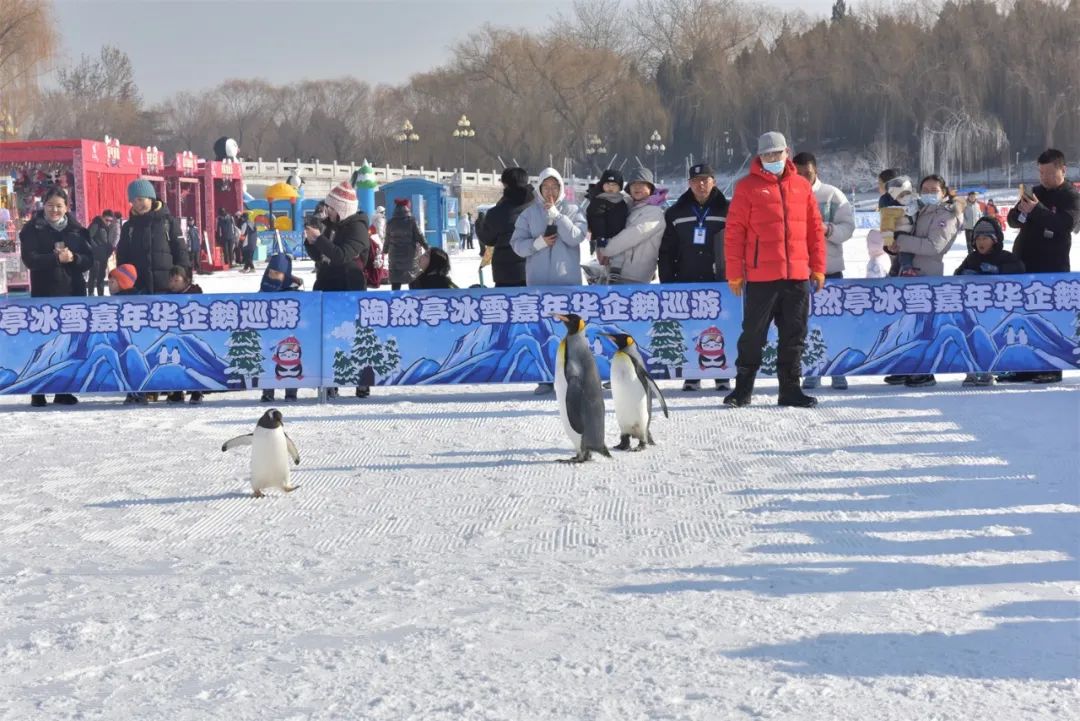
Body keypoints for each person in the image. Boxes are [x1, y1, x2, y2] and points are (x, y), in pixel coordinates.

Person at [723, 132, 826, 409]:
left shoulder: (801, 186)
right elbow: (734, 233)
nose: (772, 159)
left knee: (795, 334)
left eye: (776, 154)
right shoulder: (746, 187)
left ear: (786, 153)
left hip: (796, 277)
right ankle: (743, 389)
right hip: (761, 278)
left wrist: (817, 267)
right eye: (767, 155)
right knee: (753, 334)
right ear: (760, 157)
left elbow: (814, 229)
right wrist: (735, 272)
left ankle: (790, 389)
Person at [1002, 148, 1079, 384]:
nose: (1043, 177)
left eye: (1048, 172)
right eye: (1041, 172)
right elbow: (1013, 221)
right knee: (1024, 317)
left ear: (1062, 169)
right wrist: (1021, 212)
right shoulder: (1035, 192)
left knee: (1049, 319)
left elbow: (1064, 224)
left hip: (1052, 265)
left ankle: (1051, 367)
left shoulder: (1071, 196)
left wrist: (1037, 210)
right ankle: (1024, 366)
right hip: (1024, 261)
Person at [511, 166, 588, 394]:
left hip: (567, 283)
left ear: (561, 188)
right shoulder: (529, 214)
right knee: (542, 331)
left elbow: (577, 237)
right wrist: (538, 244)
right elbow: (517, 245)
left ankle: (573, 375)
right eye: (546, 187)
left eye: (555, 186)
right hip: (539, 285)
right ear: (540, 189)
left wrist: (558, 216)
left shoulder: (573, 210)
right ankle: (545, 377)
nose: (551, 191)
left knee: (569, 330)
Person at [885, 174, 965, 388]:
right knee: (906, 324)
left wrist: (901, 242)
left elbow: (933, 247)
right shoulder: (918, 209)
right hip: (906, 273)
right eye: (926, 189)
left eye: (934, 190)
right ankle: (907, 366)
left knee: (925, 324)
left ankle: (925, 370)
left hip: (928, 275)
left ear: (944, 192)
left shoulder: (946, 215)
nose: (930, 193)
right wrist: (891, 244)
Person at [659, 162, 731, 392]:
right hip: (686, 278)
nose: (701, 185)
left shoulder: (727, 210)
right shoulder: (675, 212)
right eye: (696, 181)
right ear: (689, 184)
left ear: (714, 181)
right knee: (689, 327)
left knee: (720, 327)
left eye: (706, 180)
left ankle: (722, 375)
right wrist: (668, 281)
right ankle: (692, 374)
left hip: (719, 280)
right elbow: (667, 250)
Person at [19, 186, 93, 408]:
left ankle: (64, 390)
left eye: (59, 206)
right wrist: (55, 259)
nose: (54, 210)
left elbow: (89, 259)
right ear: (44, 205)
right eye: (50, 205)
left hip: (73, 293)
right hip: (44, 294)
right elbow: (30, 259)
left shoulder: (77, 230)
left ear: (67, 207)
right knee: (44, 344)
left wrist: (74, 258)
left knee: (69, 343)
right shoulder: (32, 229)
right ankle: (38, 391)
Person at [793, 152, 855, 391]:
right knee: (804, 324)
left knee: (833, 323)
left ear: (815, 171)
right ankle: (811, 369)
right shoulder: (788, 194)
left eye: (807, 173)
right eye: (798, 174)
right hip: (799, 271)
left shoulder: (832, 195)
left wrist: (827, 230)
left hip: (829, 270)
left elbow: (848, 227)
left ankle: (838, 371)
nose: (803, 178)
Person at [304, 181, 370, 398]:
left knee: (354, 337)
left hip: (349, 289)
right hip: (326, 285)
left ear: (341, 209)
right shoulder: (332, 225)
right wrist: (311, 242)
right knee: (328, 337)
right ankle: (331, 380)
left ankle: (362, 381)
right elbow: (323, 256)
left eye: (331, 208)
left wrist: (320, 239)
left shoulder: (357, 228)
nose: (327, 212)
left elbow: (341, 255)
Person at [954, 215, 1024, 388]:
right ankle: (972, 371)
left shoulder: (1006, 257)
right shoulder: (972, 259)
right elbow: (957, 275)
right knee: (973, 339)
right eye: (977, 238)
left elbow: (1019, 270)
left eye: (985, 238)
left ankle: (991, 371)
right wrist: (964, 275)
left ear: (994, 240)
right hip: (975, 310)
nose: (981, 242)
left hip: (998, 310)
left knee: (992, 340)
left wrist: (998, 271)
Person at [115, 179, 189, 294]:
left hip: (167, 290)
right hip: (138, 291)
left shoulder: (168, 222)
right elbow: (123, 259)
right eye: (133, 201)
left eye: (140, 199)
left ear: (151, 198)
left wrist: (183, 279)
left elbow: (181, 252)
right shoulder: (129, 227)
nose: (137, 204)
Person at [596, 166, 664, 285]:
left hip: (635, 277)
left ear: (650, 188)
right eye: (633, 184)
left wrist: (605, 250)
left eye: (642, 184)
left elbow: (630, 236)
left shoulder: (654, 212)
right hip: (615, 273)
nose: (637, 187)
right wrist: (599, 244)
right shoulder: (628, 207)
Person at [476, 167, 534, 287]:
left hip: (505, 273)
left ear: (505, 184)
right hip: (535, 269)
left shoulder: (498, 211)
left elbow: (488, 239)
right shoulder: (537, 205)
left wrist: (479, 223)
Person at [259, 253, 305, 404]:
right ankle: (267, 392)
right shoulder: (264, 288)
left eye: (277, 273)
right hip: (269, 334)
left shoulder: (294, 291)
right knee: (268, 362)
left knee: (290, 361)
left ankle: (291, 392)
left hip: (289, 335)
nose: (273, 276)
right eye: (271, 272)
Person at [165, 266, 205, 405]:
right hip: (175, 336)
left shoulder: (196, 294)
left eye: (176, 280)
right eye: (171, 281)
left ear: (186, 280)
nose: (173, 284)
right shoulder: (167, 296)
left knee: (194, 363)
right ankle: (176, 392)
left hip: (193, 337)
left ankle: (196, 391)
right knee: (174, 362)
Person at [384, 198, 428, 290]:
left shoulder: (390, 222)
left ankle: (395, 298)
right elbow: (419, 236)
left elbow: (387, 238)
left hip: (395, 255)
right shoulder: (412, 221)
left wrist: (385, 250)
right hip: (410, 255)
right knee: (412, 278)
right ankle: (413, 299)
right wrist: (427, 247)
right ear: (407, 208)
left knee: (396, 280)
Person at [585, 168, 629, 257]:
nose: (610, 187)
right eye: (607, 184)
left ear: (620, 187)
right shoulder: (598, 200)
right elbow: (596, 221)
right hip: (602, 241)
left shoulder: (622, 202)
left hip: (620, 241)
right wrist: (600, 239)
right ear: (602, 185)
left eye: (614, 184)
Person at [86, 210, 113, 296]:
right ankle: (91, 293)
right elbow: (88, 237)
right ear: (102, 217)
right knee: (93, 275)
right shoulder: (96, 224)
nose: (108, 222)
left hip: (103, 256)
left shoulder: (107, 227)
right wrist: (96, 248)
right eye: (107, 220)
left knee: (101, 276)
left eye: (110, 221)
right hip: (95, 256)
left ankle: (101, 295)